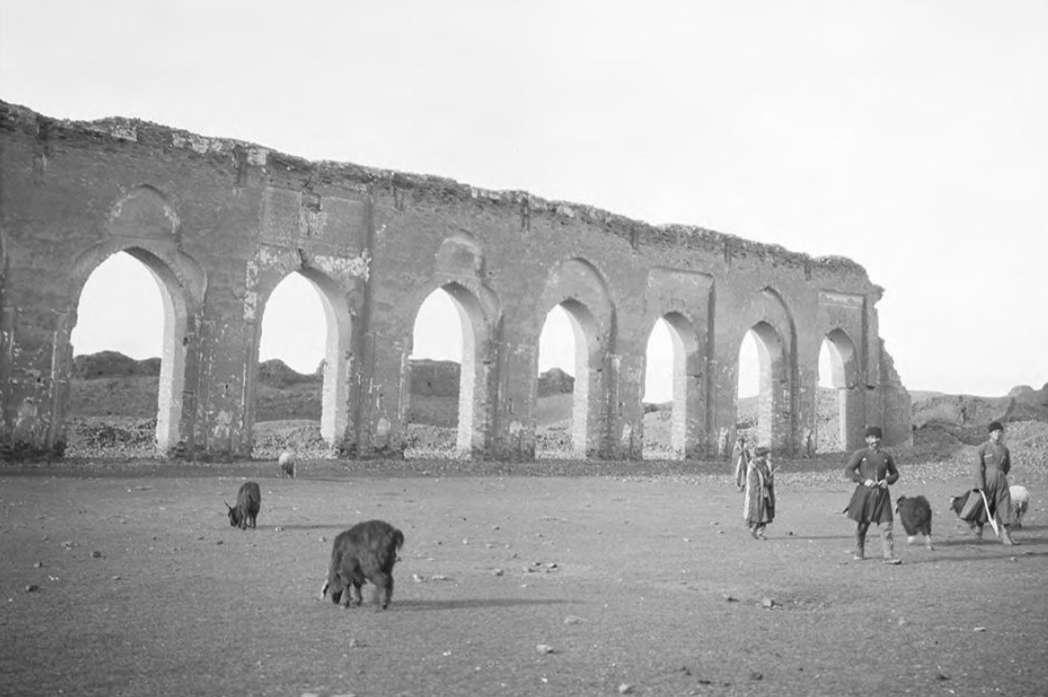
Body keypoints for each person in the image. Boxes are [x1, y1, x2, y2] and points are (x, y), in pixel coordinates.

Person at [843, 426, 901, 564]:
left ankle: (889, 556)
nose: (874, 440)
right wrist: (864, 481)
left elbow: (895, 474)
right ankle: (859, 551)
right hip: (865, 496)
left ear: (880, 439)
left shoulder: (886, 456)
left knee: (886, 525)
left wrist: (887, 481)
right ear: (866, 439)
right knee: (862, 526)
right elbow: (848, 471)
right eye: (871, 438)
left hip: (882, 496)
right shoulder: (860, 454)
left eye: (876, 437)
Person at [960, 421, 1017, 545]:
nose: (998, 434)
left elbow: (1007, 467)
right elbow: (977, 467)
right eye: (995, 432)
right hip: (987, 481)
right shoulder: (982, 448)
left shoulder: (1004, 450)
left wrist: (1000, 476)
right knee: (984, 507)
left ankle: (1007, 536)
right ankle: (978, 534)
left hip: (1001, 481)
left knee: (1005, 506)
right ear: (990, 433)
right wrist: (979, 485)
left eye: (1000, 431)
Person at [738, 445, 775, 539]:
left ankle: (760, 532)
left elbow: (768, 476)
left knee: (766, 514)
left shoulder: (766, 465)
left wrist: (770, 481)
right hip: (756, 494)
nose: (766, 457)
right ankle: (753, 529)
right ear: (759, 456)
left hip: (766, 493)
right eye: (765, 455)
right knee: (757, 513)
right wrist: (765, 483)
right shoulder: (753, 466)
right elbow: (752, 481)